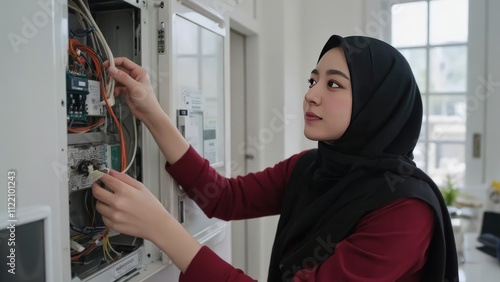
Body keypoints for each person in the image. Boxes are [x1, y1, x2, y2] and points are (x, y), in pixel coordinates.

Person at [92, 35, 459, 281]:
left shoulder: (406, 211)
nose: (311, 95)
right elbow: (222, 197)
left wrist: (161, 228)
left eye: (333, 84)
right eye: (312, 80)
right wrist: (152, 112)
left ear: (378, 105)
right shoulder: (310, 168)